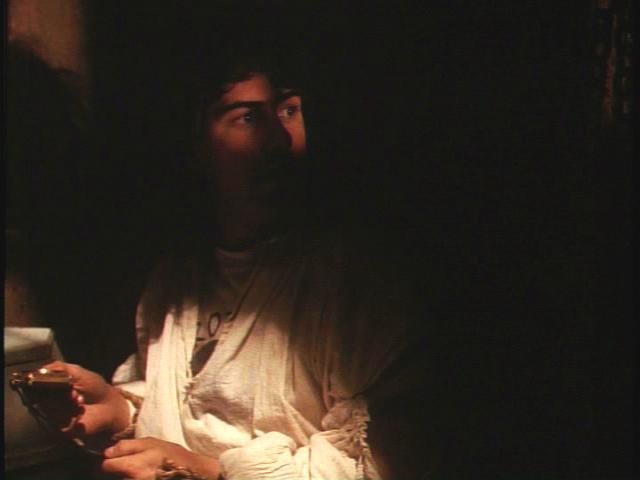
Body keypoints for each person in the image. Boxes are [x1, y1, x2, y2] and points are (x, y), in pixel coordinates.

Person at [39, 51, 430, 480]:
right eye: (248, 117)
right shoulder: (179, 277)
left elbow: (377, 464)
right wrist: (119, 409)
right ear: (198, 144)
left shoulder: (352, 283)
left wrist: (206, 471)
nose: (279, 139)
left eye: (289, 110)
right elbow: (193, 406)